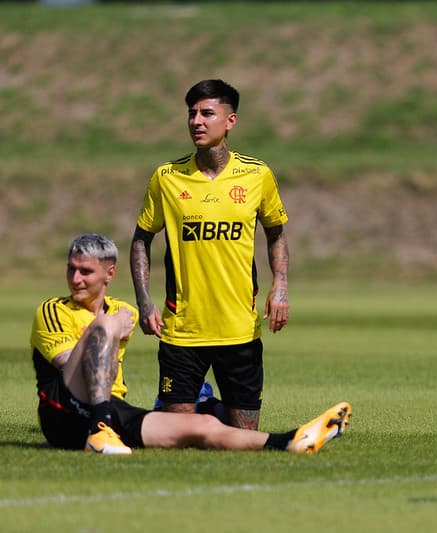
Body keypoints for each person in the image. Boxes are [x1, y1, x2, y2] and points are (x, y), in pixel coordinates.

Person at [32, 233, 351, 455]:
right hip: (63, 412)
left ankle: (291, 441)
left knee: (202, 426)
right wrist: (109, 329)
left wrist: (115, 328)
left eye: (85, 271)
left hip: (113, 409)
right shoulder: (53, 310)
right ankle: (100, 429)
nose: (75, 279)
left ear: (109, 273)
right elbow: (68, 364)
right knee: (104, 324)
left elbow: (109, 368)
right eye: (71, 270)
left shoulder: (123, 312)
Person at [130, 79, 289, 430]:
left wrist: (281, 284)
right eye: (191, 114)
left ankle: (211, 410)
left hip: (239, 330)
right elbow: (141, 239)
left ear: (230, 121)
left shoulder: (256, 175)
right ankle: (205, 411)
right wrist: (144, 300)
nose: (196, 122)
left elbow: (275, 232)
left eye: (207, 113)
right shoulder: (167, 177)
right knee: (175, 439)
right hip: (183, 331)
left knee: (244, 439)